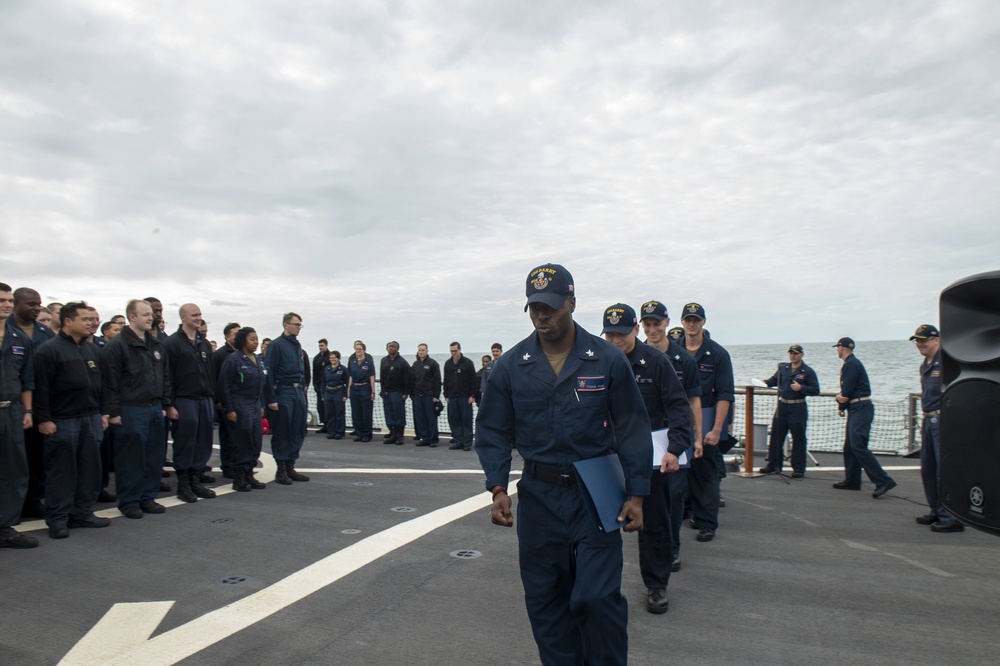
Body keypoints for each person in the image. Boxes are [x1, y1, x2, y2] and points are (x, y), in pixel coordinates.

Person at [476, 263, 650, 666]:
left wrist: (638, 493)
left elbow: (632, 428)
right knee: (545, 601)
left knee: (596, 597)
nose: (543, 315)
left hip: (596, 493)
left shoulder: (605, 359)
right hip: (538, 495)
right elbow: (492, 430)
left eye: (551, 306)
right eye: (535, 307)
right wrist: (498, 486)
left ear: (571, 303)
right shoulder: (511, 365)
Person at [602, 302, 691, 615]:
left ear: (636, 330)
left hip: (651, 455)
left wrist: (675, 448)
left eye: (622, 335)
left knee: (654, 523)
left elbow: (680, 407)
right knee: (602, 522)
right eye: (610, 335)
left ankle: (656, 585)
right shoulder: (598, 361)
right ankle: (599, 585)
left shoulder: (656, 362)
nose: (615, 341)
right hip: (607, 456)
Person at [32, 302, 110, 538]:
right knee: (61, 471)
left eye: (91, 319)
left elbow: (103, 385)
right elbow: (40, 389)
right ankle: (57, 519)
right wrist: (44, 419)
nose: (91, 323)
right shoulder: (49, 350)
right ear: (68, 321)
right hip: (62, 420)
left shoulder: (92, 350)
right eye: (85, 319)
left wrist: (103, 413)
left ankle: (82, 513)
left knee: (89, 469)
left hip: (90, 418)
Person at [639, 299, 702, 572]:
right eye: (648, 324)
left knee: (674, 498)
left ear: (667, 323)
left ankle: (672, 548)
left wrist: (696, 438)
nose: (653, 329)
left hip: (671, 437)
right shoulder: (632, 357)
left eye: (657, 323)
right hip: (641, 439)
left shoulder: (683, 359)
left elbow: (692, 401)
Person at [102, 299, 172, 519]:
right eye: (145, 314)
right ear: (132, 317)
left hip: (154, 407)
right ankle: (130, 500)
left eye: (151, 314)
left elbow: (165, 377)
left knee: (153, 456)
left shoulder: (156, 345)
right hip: (130, 408)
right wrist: (113, 412)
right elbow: (109, 382)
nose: (150, 317)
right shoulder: (118, 345)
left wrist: (164, 404)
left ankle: (147, 497)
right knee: (131, 458)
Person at [681, 302, 734, 543]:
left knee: (706, 476)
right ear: (682, 322)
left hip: (707, 423)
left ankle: (706, 523)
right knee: (679, 474)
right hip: (679, 424)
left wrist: (717, 429)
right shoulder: (672, 351)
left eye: (696, 319)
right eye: (688, 319)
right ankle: (684, 512)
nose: (692, 324)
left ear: (703, 322)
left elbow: (725, 394)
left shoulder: (718, 354)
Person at [163, 304, 218, 503]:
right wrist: (169, 404)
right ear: (183, 317)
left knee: (203, 442)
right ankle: (184, 484)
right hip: (183, 399)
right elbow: (166, 375)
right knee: (185, 442)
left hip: (204, 399)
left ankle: (196, 480)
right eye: (194, 315)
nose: (198, 318)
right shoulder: (172, 343)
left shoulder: (203, 343)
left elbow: (210, 372)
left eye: (200, 315)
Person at [7, 288, 54, 520]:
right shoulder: (7, 329)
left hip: (37, 403)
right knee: (12, 459)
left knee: (36, 456)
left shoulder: (45, 332)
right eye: (30, 304)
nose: (35, 308)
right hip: (12, 403)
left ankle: (33, 499)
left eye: (38, 304)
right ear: (16, 304)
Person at [909, 325, 962, 532]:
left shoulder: (947, 363)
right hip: (928, 420)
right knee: (928, 468)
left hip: (943, 421)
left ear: (936, 339)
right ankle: (935, 509)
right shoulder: (925, 365)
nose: (920, 344)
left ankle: (950, 516)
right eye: (917, 341)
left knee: (944, 470)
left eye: (923, 340)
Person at [832, 337, 897, 497]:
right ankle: (852, 481)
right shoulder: (852, 364)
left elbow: (846, 392)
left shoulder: (851, 365)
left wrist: (840, 400)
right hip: (856, 407)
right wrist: (844, 405)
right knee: (850, 446)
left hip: (860, 407)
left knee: (858, 445)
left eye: (838, 347)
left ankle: (883, 480)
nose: (837, 350)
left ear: (842, 348)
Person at [0, 282, 38, 549]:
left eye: (8, 301)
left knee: (13, 471)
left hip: (11, 411)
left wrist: (27, 411)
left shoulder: (19, 339)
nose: (6, 304)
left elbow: (27, 380)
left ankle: (5, 526)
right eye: (1, 300)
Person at [217, 327, 277, 492]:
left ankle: (249, 473)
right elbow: (224, 386)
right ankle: (239, 477)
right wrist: (229, 409)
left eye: (257, 339)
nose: (256, 342)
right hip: (240, 404)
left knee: (254, 442)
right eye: (252, 339)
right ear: (243, 340)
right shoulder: (233, 360)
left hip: (255, 405)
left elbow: (263, 385)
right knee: (241, 442)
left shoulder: (258, 360)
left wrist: (262, 405)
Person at [758, 344, 820, 477]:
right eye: (791, 353)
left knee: (798, 439)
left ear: (801, 355)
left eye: (796, 353)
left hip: (797, 407)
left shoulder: (807, 371)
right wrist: (762, 382)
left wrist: (802, 388)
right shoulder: (784, 368)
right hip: (783, 406)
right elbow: (773, 381)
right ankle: (774, 464)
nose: (793, 356)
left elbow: (815, 390)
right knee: (776, 436)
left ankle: (798, 469)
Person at [264, 313, 310, 484]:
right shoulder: (276, 345)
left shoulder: (297, 345)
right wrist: (271, 398)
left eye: (300, 324)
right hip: (283, 391)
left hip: (298, 392)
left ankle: (290, 465)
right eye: (296, 324)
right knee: (283, 430)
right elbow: (268, 372)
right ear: (285, 325)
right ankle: (281, 468)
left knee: (298, 430)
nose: (299, 327)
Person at [213, 322, 241, 479]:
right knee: (227, 435)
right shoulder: (220, 355)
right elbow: (216, 379)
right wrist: (217, 400)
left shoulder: (241, 354)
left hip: (239, 401)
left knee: (238, 436)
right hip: (225, 401)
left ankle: (237, 463)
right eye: (235, 334)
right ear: (227, 336)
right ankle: (228, 465)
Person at [443, 341, 476, 451]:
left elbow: (473, 380)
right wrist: (446, 395)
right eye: (451, 351)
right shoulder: (448, 364)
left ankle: (467, 443)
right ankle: (458, 441)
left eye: (455, 351)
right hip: (452, 397)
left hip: (465, 397)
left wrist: (472, 395)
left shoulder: (467, 363)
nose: (453, 353)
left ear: (460, 349)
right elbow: (446, 380)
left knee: (466, 420)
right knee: (454, 420)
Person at [378, 341, 411, 445]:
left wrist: (406, 393)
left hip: (398, 392)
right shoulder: (383, 361)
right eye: (389, 346)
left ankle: (400, 436)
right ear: (386, 348)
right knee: (389, 414)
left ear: (397, 348)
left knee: (399, 415)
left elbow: (407, 379)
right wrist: (382, 391)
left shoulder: (402, 362)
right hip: (387, 392)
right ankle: (392, 434)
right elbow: (382, 377)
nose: (391, 348)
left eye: (393, 346)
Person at [411, 343, 441, 447]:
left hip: (429, 396)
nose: (421, 352)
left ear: (427, 351)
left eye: (423, 350)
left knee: (431, 418)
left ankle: (433, 439)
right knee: (420, 418)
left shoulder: (433, 363)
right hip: (418, 396)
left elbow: (437, 380)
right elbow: (412, 380)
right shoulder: (415, 364)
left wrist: (436, 396)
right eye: (419, 350)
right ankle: (424, 438)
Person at [347, 341, 376, 442]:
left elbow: (372, 377)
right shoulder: (352, 362)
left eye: (360, 349)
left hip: (365, 388)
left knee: (366, 413)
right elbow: (350, 376)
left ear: (364, 350)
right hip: (355, 388)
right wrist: (349, 390)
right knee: (356, 413)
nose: (358, 351)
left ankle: (367, 434)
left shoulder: (369, 362)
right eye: (356, 349)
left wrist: (373, 392)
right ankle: (359, 433)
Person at [321, 351, 349, 440]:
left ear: (338, 358)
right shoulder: (326, 369)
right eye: (331, 358)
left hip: (339, 392)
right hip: (328, 392)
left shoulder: (343, 369)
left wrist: (345, 395)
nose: (332, 359)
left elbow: (347, 382)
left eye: (334, 358)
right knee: (329, 413)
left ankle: (339, 432)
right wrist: (323, 394)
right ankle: (331, 431)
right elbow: (323, 382)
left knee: (339, 413)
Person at [312, 339, 330, 434]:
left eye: (322, 345)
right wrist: (314, 384)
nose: (320, 347)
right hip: (319, 386)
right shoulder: (316, 358)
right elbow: (314, 372)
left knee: (329, 406)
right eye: (319, 346)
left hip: (328, 385)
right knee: (320, 406)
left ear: (326, 345)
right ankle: (325, 424)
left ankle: (330, 425)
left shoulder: (330, 357)